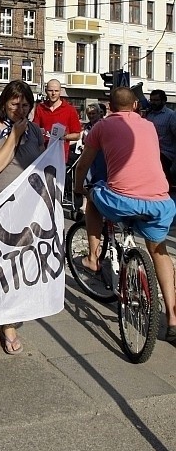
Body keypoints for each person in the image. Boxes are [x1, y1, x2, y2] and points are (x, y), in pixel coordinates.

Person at [74, 86, 176, 345]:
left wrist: (78, 188)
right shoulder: (149, 126)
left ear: (109, 107)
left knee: (95, 196)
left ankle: (93, 257)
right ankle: (173, 318)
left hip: (121, 200)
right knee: (159, 251)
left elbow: (84, 162)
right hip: (160, 201)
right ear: (135, 106)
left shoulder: (101, 127)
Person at [0, 80, 45, 354]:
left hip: (23, 210)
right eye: (15, 104)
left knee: (16, 268)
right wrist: (14, 136)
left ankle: (7, 322)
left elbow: (40, 168)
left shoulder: (36, 132)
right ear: (4, 103)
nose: (20, 110)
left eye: (26, 105)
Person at [33, 79, 82, 159]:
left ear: (60, 91)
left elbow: (77, 135)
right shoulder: (40, 108)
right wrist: (39, 132)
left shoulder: (70, 110)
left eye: (56, 91)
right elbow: (34, 130)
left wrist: (63, 137)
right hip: (42, 155)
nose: (53, 93)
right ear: (46, 91)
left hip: (60, 157)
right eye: (50, 90)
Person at [142, 89, 176, 185]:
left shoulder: (171, 115)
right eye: (152, 100)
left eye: (156, 100)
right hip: (151, 151)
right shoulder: (149, 114)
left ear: (164, 101)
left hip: (166, 153)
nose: (153, 103)